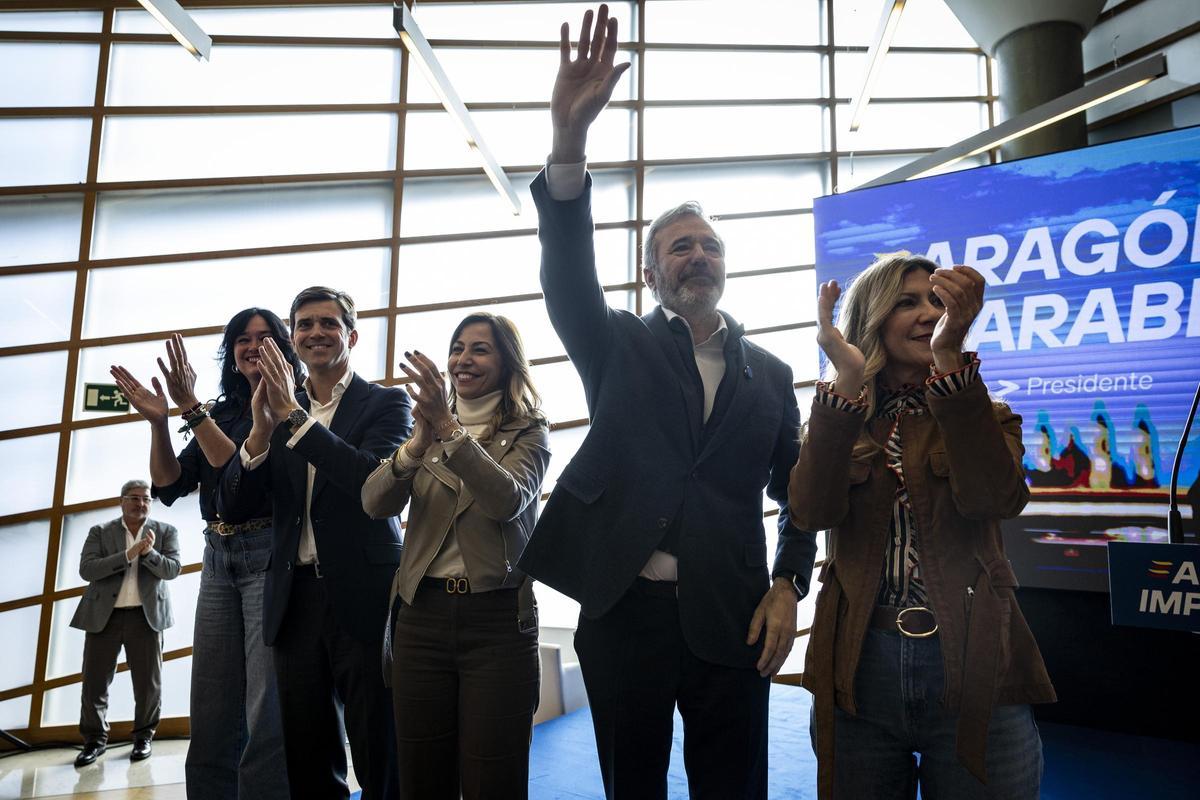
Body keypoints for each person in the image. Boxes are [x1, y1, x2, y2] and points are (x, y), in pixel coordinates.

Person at [516, 7, 817, 798]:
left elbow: (800, 497)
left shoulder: (777, 376)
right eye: (679, 245)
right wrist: (568, 141)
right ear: (651, 275)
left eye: (710, 244)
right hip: (624, 615)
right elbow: (565, 272)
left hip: (734, 617)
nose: (698, 254)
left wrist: (789, 582)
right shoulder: (617, 343)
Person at [789, 252, 1057, 799]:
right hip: (859, 665)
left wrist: (950, 360)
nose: (928, 313)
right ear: (873, 317)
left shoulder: (987, 412)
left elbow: (996, 499)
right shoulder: (836, 415)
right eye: (906, 302)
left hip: (974, 659)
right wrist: (844, 381)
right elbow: (811, 513)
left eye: (937, 301)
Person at [218, 286, 411, 800]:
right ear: (294, 338)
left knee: (378, 747)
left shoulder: (388, 403)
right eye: (304, 324)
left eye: (328, 323)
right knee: (306, 751)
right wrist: (259, 432)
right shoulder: (275, 408)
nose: (315, 333)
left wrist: (293, 418)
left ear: (350, 334)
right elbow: (234, 507)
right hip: (293, 598)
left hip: (364, 593)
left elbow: (371, 482)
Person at [110, 309, 301, 799]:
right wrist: (158, 423)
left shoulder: (293, 407)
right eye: (242, 339)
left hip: (268, 552)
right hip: (218, 555)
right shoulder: (218, 412)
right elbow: (171, 484)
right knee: (212, 699)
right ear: (230, 353)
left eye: (265, 337)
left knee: (265, 705)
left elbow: (239, 468)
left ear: (286, 346)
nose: (252, 346)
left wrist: (190, 406)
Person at [361, 312, 549, 800]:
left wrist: (446, 428)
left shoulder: (530, 431)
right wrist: (416, 447)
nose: (463, 359)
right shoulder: (423, 428)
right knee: (422, 773)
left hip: (497, 620)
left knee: (495, 775)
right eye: (458, 347)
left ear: (508, 362)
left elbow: (505, 500)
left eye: (480, 349)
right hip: (421, 617)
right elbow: (373, 503)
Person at [70, 479, 180, 768]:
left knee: (148, 685)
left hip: (146, 618)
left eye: (146, 499)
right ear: (122, 501)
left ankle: (144, 738)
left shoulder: (166, 532)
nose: (141, 503)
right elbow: (87, 569)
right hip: (104, 617)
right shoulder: (100, 532)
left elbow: (172, 570)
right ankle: (93, 741)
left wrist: (148, 554)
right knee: (94, 683)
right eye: (134, 498)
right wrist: (128, 555)